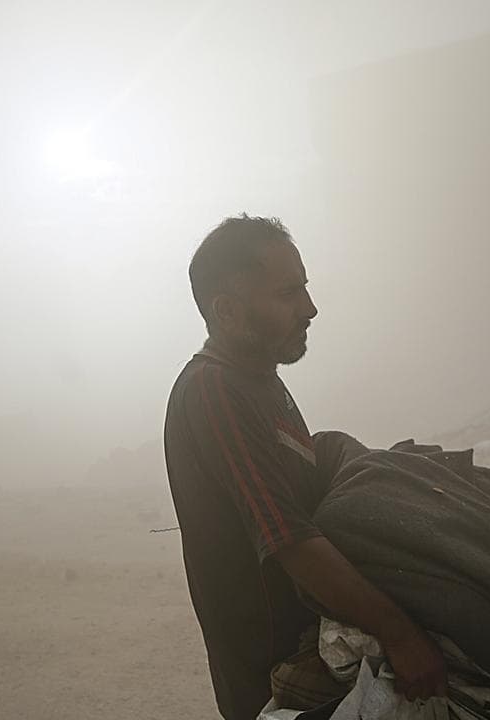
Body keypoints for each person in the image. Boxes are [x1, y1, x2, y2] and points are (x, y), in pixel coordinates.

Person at [163, 216, 447, 719]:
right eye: (288, 293)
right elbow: (288, 537)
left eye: (305, 289)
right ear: (227, 311)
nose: (310, 309)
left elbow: (300, 481)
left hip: (314, 655)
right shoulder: (214, 391)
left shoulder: (260, 383)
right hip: (277, 681)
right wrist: (400, 634)